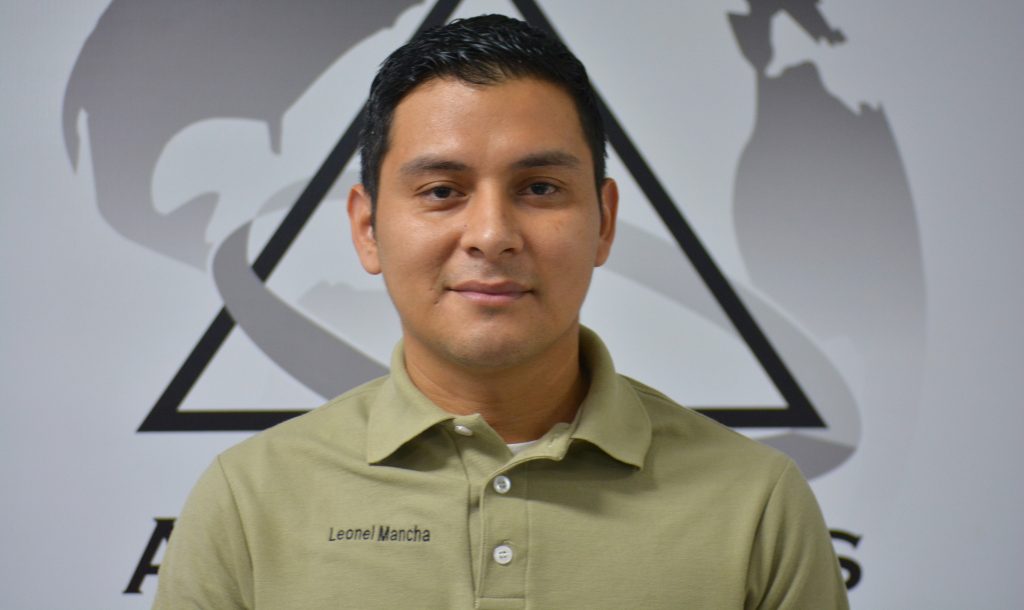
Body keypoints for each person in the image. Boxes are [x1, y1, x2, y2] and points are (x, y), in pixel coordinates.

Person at [154, 14, 849, 609]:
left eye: (540, 187)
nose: (491, 235)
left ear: (604, 223)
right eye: (441, 190)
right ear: (367, 229)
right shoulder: (247, 504)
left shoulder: (757, 506)